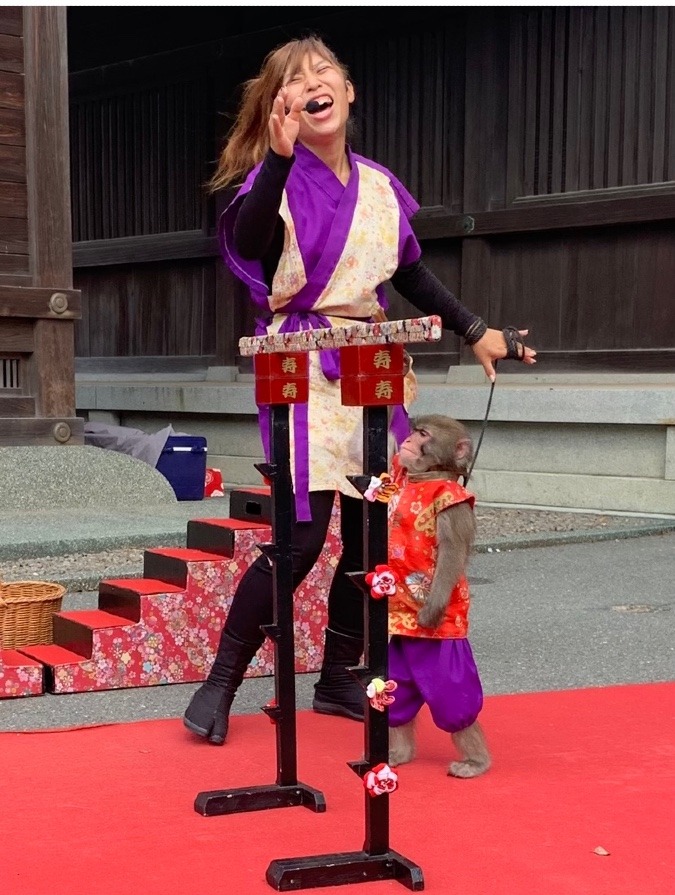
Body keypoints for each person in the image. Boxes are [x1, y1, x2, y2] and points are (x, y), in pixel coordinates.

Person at [183, 35, 536, 745]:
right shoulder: (270, 179)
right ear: (282, 106)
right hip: (300, 361)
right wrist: (278, 158)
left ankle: (338, 674)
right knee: (301, 536)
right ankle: (220, 679)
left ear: (347, 93)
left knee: (375, 531)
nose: (313, 84)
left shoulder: (376, 185)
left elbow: (409, 273)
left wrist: (475, 330)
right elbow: (252, 246)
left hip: (371, 362)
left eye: (324, 73)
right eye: (295, 80)